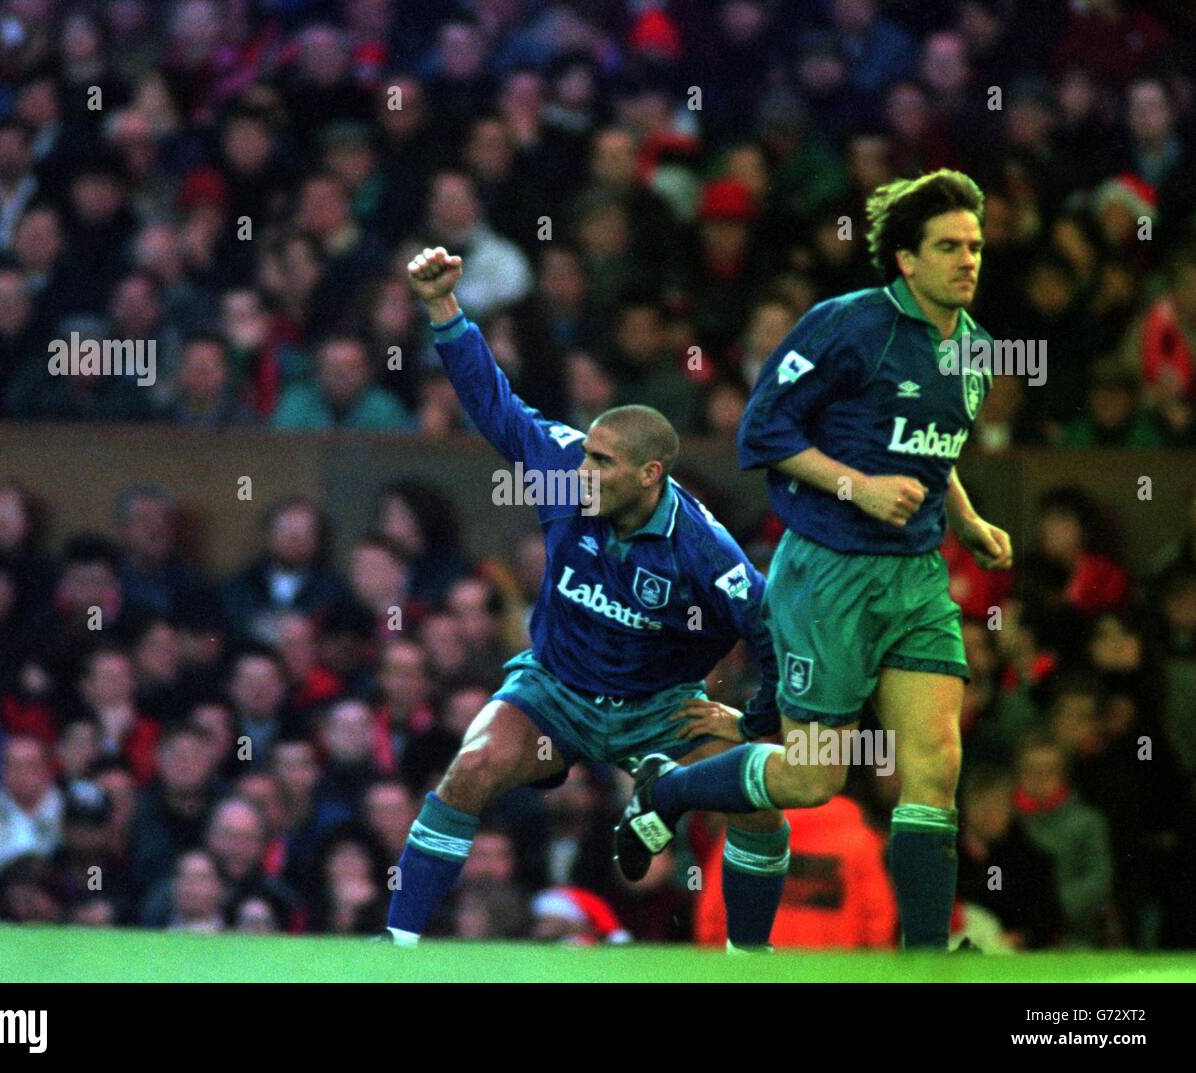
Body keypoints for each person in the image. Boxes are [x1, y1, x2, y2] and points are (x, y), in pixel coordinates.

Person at [620, 170, 1013, 950]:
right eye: (948, 247)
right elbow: (759, 433)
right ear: (906, 259)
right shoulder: (847, 325)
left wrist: (965, 520)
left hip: (917, 576)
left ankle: (925, 958)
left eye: (974, 245)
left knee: (936, 762)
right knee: (814, 779)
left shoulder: (976, 348)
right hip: (827, 571)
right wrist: (858, 487)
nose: (968, 260)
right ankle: (669, 789)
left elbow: (932, 451)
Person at [382, 246, 785, 952]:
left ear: (651, 474)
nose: (584, 470)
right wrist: (443, 308)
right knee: (472, 765)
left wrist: (748, 716)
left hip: (660, 710)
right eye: (586, 454)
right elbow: (495, 406)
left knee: (760, 808)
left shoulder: (708, 553)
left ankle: (748, 962)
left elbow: (775, 631)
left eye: (604, 463)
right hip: (556, 689)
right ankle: (398, 945)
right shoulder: (565, 470)